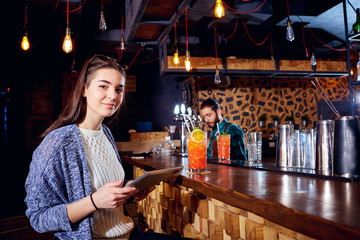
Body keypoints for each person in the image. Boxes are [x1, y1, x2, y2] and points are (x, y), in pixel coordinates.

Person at [24, 54, 170, 240]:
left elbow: (101, 191)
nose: (112, 95)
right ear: (84, 89)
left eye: (119, 89)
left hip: (126, 234)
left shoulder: (106, 134)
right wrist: (94, 202)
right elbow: (38, 218)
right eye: (103, 86)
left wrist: (129, 193)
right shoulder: (58, 142)